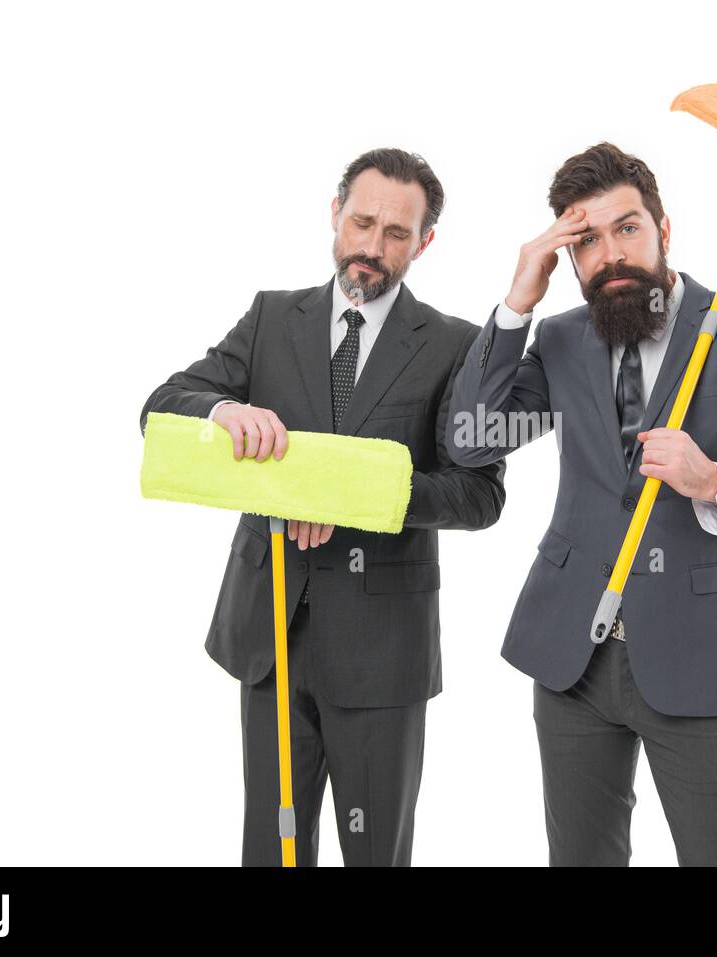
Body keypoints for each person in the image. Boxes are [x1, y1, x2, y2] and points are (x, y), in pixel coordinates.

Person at [447, 142, 717, 865]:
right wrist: (516, 304)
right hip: (571, 659)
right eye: (585, 241)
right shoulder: (561, 337)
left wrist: (715, 479)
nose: (611, 254)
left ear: (664, 229)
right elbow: (471, 441)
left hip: (701, 660)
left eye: (627, 228)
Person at [140, 147, 506, 866]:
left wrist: (351, 498)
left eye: (396, 234)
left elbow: (480, 492)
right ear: (334, 214)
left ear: (424, 242)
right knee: (272, 849)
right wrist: (222, 410)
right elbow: (161, 405)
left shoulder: (456, 345)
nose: (372, 247)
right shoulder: (272, 318)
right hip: (269, 632)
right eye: (362, 222)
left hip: (381, 652)